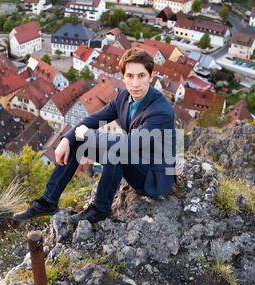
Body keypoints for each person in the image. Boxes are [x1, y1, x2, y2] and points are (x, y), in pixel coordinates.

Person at [13, 48, 176, 226]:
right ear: (123, 77)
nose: (135, 83)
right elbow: (95, 118)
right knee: (77, 142)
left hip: (154, 176)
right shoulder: (124, 96)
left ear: (151, 77)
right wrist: (67, 138)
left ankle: (100, 210)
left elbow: (129, 145)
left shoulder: (161, 111)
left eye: (141, 76)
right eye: (130, 76)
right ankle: (48, 201)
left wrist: (89, 134)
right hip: (135, 159)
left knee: (116, 152)